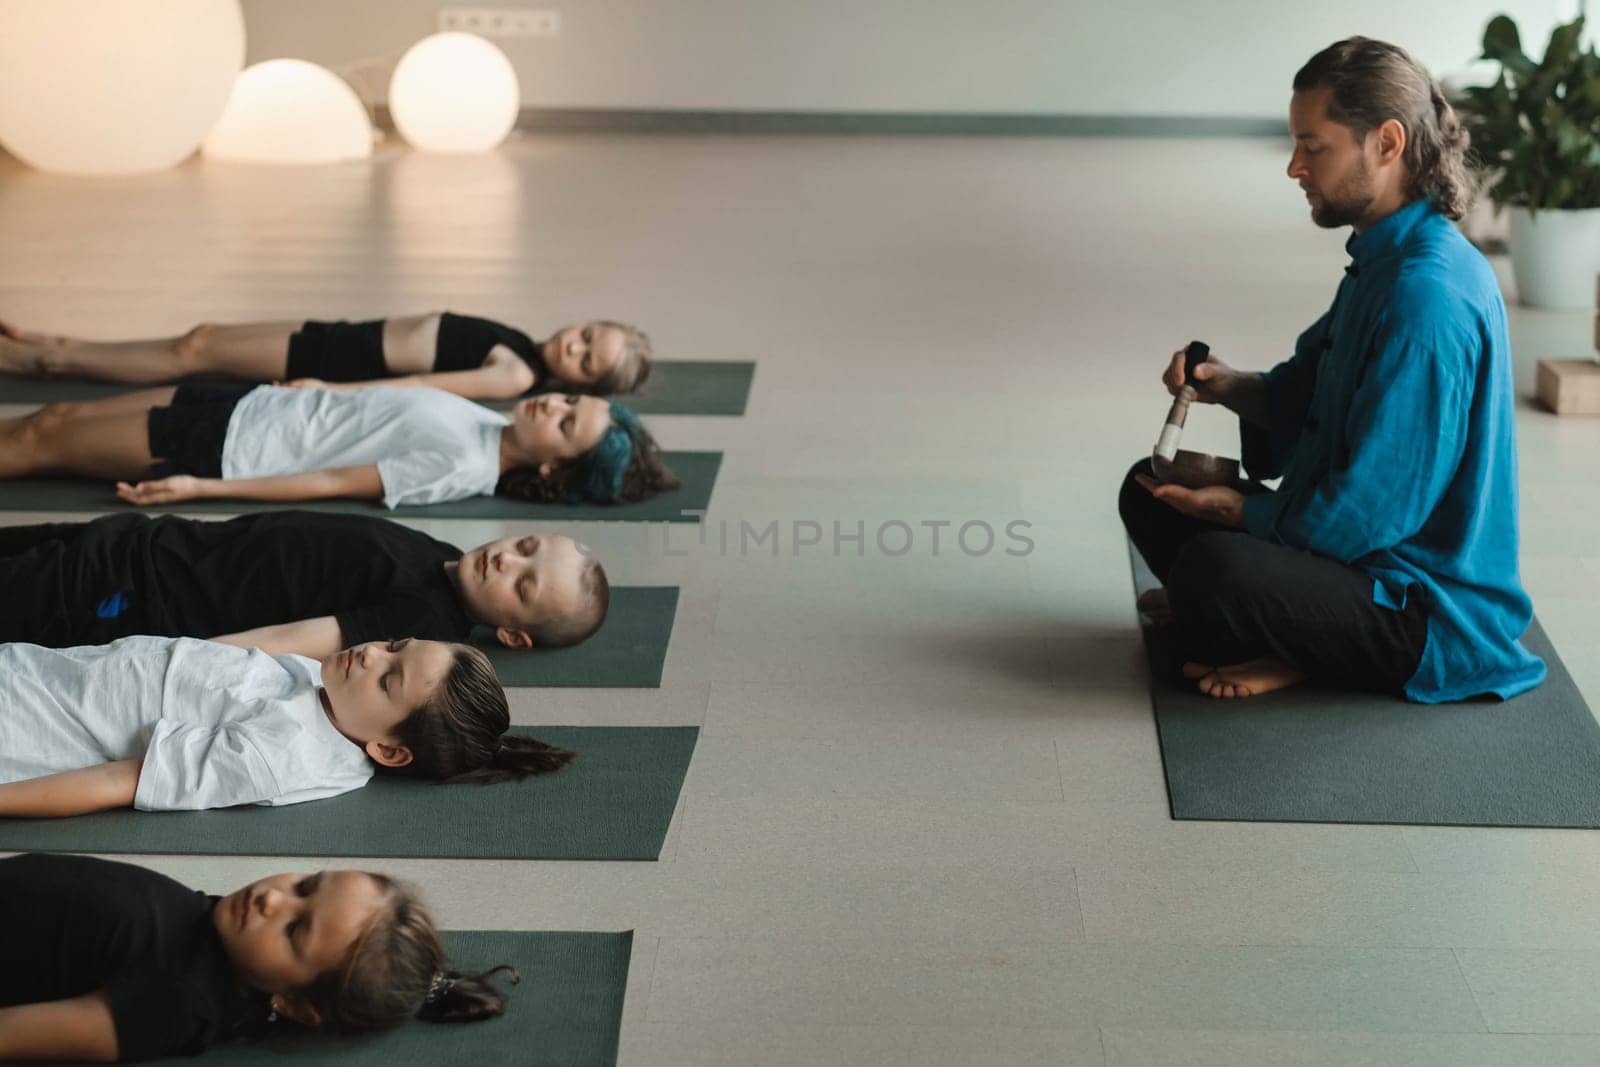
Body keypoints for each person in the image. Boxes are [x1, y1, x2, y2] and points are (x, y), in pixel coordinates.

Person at [1117, 36, 1544, 704]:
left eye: (1314, 147)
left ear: (1387, 143)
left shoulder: (1425, 296)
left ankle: (1299, 647)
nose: (1294, 167)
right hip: (1354, 554)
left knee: (1215, 569)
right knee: (1145, 486)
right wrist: (1225, 386)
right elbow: (1300, 395)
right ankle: (1277, 627)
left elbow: (1375, 511)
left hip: (1418, 603)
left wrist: (1246, 515)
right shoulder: (1382, 259)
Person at [0, 852, 517, 1062]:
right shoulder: (221, 938)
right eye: (306, 885)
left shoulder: (182, 1002)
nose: (274, 898)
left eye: (295, 930)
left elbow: (22, 1034)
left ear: (294, 1004)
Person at [0, 634, 574, 817]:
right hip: (35, 670)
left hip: (23, 726)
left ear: (390, 751)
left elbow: (121, 781)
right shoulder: (329, 691)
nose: (373, 654)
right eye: (396, 644)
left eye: (388, 679)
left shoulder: (285, 755)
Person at [0, 380, 679, 509]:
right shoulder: (488, 425)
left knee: (40, 441)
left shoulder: (462, 465)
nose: (553, 404)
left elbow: (329, 483)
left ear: (555, 466)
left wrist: (202, 487)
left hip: (230, 448)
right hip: (255, 405)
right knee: (53, 417)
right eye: (568, 400)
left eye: (565, 423)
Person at [0, 512, 609, 654]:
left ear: (512, 634)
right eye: (525, 548)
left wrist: (161, 659)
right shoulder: (448, 559)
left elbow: (295, 638)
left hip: (127, 594)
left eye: (524, 588)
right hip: (145, 540)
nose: (507, 562)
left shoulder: (426, 620)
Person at [0, 311, 653, 400]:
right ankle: (50, 348)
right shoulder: (520, 342)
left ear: (580, 383)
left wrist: (329, 390)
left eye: (586, 360)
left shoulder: (513, 371)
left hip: (334, 361)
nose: (575, 344)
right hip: (336, 335)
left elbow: (423, 386)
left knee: (194, 351)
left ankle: (46, 358)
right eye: (589, 333)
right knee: (195, 343)